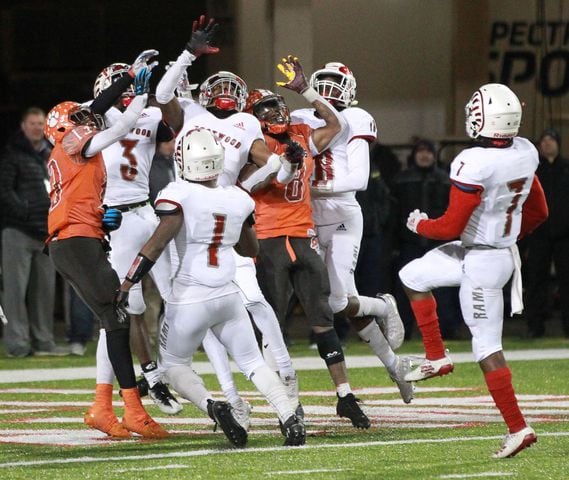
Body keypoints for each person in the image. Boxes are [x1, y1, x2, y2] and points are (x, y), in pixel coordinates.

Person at [154, 21, 304, 429]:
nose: (222, 94)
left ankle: (286, 388)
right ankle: (237, 400)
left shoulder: (246, 124)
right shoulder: (190, 111)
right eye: (215, 87)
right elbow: (163, 94)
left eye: (230, 89)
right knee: (200, 318)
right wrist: (188, 53)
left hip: (218, 219)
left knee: (249, 304)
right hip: (186, 220)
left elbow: (275, 169)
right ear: (204, 94)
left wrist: (278, 166)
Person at [115, 128, 306, 447]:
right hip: (228, 294)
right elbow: (250, 250)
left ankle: (213, 406)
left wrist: (128, 280)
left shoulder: (177, 194)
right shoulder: (238, 198)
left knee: (173, 367)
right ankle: (289, 417)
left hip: (189, 297)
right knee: (253, 363)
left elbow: (156, 245)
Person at [399, 83, 548, 458]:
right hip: (487, 251)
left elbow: (448, 227)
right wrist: (510, 232)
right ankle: (437, 356)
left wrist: (421, 226)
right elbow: (539, 212)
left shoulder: (474, 161)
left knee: (486, 349)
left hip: (483, 262)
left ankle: (518, 428)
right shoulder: (526, 151)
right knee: (412, 276)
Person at [44, 51, 167, 439]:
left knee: (111, 319)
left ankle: (109, 407)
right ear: (66, 128)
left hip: (79, 237)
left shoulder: (70, 150)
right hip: (74, 241)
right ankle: (130, 408)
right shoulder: (73, 144)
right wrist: (140, 93)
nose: (88, 121)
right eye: (79, 120)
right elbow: (117, 126)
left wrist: (102, 217)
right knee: (115, 318)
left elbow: (96, 112)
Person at [245, 58, 374, 427]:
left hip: (304, 237)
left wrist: (306, 90)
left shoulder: (301, 132)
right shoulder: (253, 146)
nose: (274, 111)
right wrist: (279, 164)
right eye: (264, 108)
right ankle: (289, 403)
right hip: (269, 241)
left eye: (276, 105)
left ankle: (345, 395)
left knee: (323, 320)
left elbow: (337, 123)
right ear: (254, 117)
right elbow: (249, 184)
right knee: (273, 325)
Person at [292, 62, 414, 404]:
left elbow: (358, 181)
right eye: (324, 83)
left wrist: (311, 188)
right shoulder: (301, 117)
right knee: (343, 303)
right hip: (308, 217)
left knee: (335, 301)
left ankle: (383, 305)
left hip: (343, 213)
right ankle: (394, 367)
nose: (330, 90)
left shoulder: (358, 118)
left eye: (336, 83)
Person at [91, 58, 182, 415]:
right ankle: (152, 375)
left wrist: (171, 86)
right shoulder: (96, 115)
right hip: (116, 218)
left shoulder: (147, 114)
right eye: (122, 87)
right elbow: (98, 109)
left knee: (176, 293)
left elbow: (171, 134)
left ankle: (170, 368)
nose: (126, 92)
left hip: (147, 210)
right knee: (128, 306)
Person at [0, 107, 68, 357]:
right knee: (15, 292)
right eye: (33, 123)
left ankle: (44, 342)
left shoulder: (51, 154)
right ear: (23, 125)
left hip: (45, 233)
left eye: (41, 123)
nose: (37, 127)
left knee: (45, 291)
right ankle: (17, 344)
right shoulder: (12, 155)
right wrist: (26, 212)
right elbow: (5, 191)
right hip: (18, 231)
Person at [391, 139, 463, 339]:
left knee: (443, 289)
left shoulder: (445, 180)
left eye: (428, 151)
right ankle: (403, 331)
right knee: (406, 287)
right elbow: (394, 214)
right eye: (420, 151)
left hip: (438, 243)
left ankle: (448, 330)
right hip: (409, 243)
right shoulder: (402, 180)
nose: (424, 155)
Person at [523, 128, 569, 338]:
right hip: (538, 234)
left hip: (565, 235)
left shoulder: (567, 168)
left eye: (551, 139)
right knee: (536, 281)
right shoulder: (532, 172)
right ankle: (535, 326)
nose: (547, 143)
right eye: (544, 140)